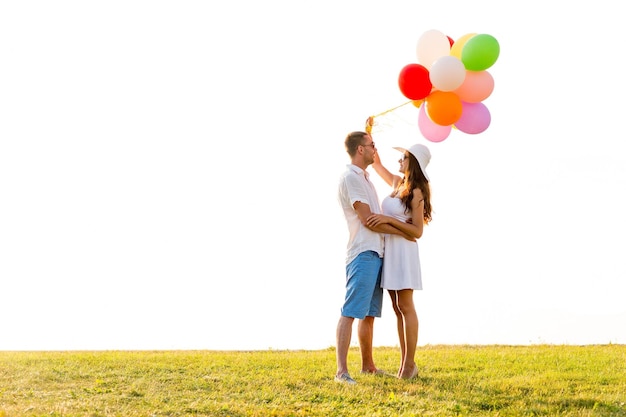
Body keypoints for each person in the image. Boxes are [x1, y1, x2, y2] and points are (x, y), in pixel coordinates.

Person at [335, 131, 415, 385]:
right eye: (371, 146)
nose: (375, 149)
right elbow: (369, 219)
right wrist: (404, 230)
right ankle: (341, 372)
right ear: (361, 150)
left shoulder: (365, 178)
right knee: (350, 311)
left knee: (368, 314)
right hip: (363, 252)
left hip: (376, 253)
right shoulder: (351, 178)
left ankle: (368, 366)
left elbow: (377, 218)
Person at [368, 143, 432, 380]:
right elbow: (376, 164)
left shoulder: (416, 192)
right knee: (397, 308)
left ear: (413, 162)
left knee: (406, 306)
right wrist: (370, 136)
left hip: (405, 252)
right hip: (391, 251)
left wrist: (388, 221)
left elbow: (416, 231)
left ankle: (409, 365)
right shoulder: (398, 184)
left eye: (403, 158)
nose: (399, 162)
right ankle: (406, 362)